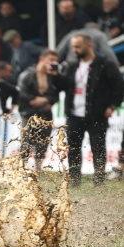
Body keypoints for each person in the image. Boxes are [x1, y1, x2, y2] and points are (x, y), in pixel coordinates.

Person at [49, 33, 124, 187]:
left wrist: (112, 106)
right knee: (74, 148)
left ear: (88, 45)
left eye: (78, 46)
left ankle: (99, 181)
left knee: (98, 147)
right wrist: (55, 76)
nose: (74, 50)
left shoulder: (104, 64)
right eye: (73, 47)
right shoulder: (71, 65)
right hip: (74, 114)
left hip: (97, 113)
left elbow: (118, 85)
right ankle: (75, 180)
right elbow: (64, 86)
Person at [17, 49, 60, 174]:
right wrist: (37, 100)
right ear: (42, 59)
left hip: (45, 114)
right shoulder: (28, 74)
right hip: (29, 113)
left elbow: (57, 94)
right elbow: (21, 93)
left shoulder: (53, 76)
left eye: (55, 61)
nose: (53, 63)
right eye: (51, 60)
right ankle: (21, 171)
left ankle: (37, 171)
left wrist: (46, 100)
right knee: (26, 142)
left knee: (42, 143)